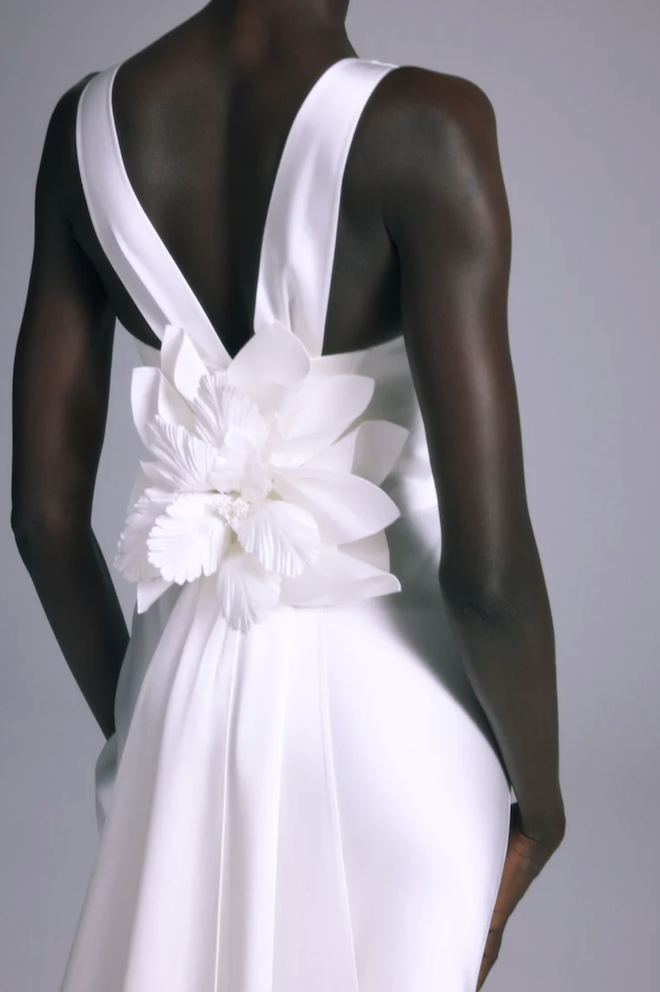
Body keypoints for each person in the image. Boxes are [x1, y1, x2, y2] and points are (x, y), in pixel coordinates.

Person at [11, 0, 565, 989]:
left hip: (184, 704)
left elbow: (44, 516)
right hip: (402, 722)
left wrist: (145, 727)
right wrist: (546, 800)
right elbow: (486, 575)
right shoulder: (431, 127)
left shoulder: (84, 131)